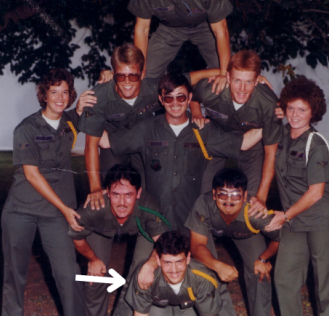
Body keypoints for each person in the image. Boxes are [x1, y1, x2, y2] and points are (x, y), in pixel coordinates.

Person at [88, 71, 265, 316]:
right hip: (154, 221)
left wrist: (276, 115)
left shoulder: (201, 130)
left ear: (189, 98)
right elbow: (106, 141)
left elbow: (243, 143)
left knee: (210, 272)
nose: (174, 103)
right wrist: (87, 107)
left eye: (181, 96)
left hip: (191, 219)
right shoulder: (147, 128)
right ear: (161, 99)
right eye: (168, 97)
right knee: (137, 273)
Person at [0, 69, 91, 316]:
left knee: (68, 274)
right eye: (54, 92)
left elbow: (78, 117)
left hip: (54, 215)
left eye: (65, 92)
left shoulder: (68, 123)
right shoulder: (26, 128)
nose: (60, 98)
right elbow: (31, 174)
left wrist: (100, 83)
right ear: (43, 95)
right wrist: (66, 209)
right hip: (21, 211)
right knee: (15, 276)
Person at [76, 43, 221, 211]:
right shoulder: (99, 96)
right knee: (111, 186)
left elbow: (196, 77)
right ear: (114, 74)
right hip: (111, 140)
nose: (127, 82)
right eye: (121, 76)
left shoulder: (155, 87)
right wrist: (94, 188)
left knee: (148, 187)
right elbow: (90, 145)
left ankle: (146, 225)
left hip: (142, 138)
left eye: (134, 76)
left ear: (143, 74)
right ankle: (113, 228)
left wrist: (230, 74)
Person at [267, 77, 329, 316]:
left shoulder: (316, 143)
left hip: (322, 219)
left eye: (302, 110)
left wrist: (284, 216)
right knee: (285, 278)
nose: (295, 114)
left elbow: (316, 192)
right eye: (291, 108)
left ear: (314, 113)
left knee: (324, 283)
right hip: (295, 220)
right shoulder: (284, 135)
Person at [67, 163, 168, 316]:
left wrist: (149, 265)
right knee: (95, 276)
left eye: (128, 195)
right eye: (116, 194)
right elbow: (77, 238)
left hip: (142, 230)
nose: (122, 202)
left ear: (138, 193)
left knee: (137, 275)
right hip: (101, 229)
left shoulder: (148, 206)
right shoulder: (93, 208)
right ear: (106, 192)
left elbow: (163, 243)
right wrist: (93, 259)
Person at [185, 168, 282, 316]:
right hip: (208, 232)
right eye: (222, 194)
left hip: (246, 232)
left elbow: (279, 238)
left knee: (260, 271)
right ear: (214, 194)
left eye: (236, 195)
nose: (228, 200)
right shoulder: (203, 204)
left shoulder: (254, 212)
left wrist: (263, 259)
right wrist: (217, 265)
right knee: (210, 271)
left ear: (245, 196)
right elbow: (197, 246)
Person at [192, 50, 281, 207]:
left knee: (252, 201)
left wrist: (261, 196)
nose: (242, 89)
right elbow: (193, 95)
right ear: (227, 77)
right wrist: (196, 112)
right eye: (237, 80)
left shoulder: (269, 104)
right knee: (204, 192)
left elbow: (271, 154)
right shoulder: (212, 89)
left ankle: (243, 229)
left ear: (257, 81)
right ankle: (208, 227)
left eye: (248, 82)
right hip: (219, 137)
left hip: (251, 144)